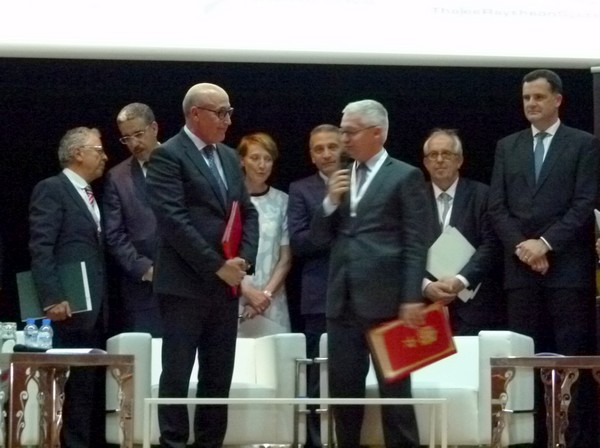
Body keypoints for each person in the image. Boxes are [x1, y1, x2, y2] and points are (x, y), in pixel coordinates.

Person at [488, 69, 600, 448]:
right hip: (521, 272)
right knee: (524, 361)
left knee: (569, 361)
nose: (531, 104)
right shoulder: (507, 146)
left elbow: (584, 204)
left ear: (557, 100)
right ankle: (528, 439)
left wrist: (545, 244)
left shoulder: (583, 144)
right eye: (526, 98)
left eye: (538, 97)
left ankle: (573, 438)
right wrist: (525, 247)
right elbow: (497, 207)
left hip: (567, 271)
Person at [310, 100, 431, 448]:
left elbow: (416, 242)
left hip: (389, 304)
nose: (344, 139)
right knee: (344, 395)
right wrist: (329, 203)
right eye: (343, 131)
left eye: (350, 132)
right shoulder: (341, 176)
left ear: (376, 133)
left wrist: (411, 297)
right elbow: (318, 238)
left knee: (396, 395)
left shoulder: (405, 175)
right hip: (342, 302)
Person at [146, 82, 259, 448]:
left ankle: (210, 443)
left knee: (218, 376)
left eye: (229, 112)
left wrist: (243, 262)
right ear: (195, 114)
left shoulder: (228, 156)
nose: (228, 120)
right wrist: (216, 265)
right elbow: (173, 221)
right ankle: (174, 443)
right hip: (184, 286)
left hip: (225, 287)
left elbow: (248, 213)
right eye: (220, 113)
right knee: (177, 374)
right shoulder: (167, 155)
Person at [28, 126, 109, 448]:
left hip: (92, 308)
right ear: (77, 153)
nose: (104, 156)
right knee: (62, 387)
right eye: (98, 150)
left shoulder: (90, 194)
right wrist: (53, 297)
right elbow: (41, 246)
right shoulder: (52, 189)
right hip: (65, 309)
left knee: (85, 389)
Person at [287, 124, 342, 447]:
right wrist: (330, 213)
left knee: (357, 375)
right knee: (315, 378)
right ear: (311, 155)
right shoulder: (301, 189)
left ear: (343, 147)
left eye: (332, 146)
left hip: (364, 294)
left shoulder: (361, 180)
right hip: (319, 296)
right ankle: (315, 441)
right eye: (319, 149)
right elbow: (299, 243)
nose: (326, 154)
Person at [421, 128, 505, 335]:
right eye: (433, 155)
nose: (439, 160)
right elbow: (401, 248)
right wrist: (425, 286)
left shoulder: (482, 195)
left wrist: (461, 280)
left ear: (459, 160)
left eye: (446, 154)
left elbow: (491, 244)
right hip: (424, 308)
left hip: (474, 308)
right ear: (425, 163)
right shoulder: (412, 198)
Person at [103, 102, 162, 336]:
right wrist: (145, 269)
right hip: (144, 290)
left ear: (154, 128)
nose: (134, 143)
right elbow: (114, 235)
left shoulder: (185, 162)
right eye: (126, 138)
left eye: (138, 134)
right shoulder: (117, 177)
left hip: (189, 284)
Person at [236, 132, 292, 337]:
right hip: (236, 295)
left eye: (267, 159)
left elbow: (285, 258)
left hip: (271, 299)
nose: (262, 165)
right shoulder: (230, 199)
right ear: (242, 161)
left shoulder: (282, 201)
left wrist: (264, 296)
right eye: (255, 158)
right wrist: (247, 291)